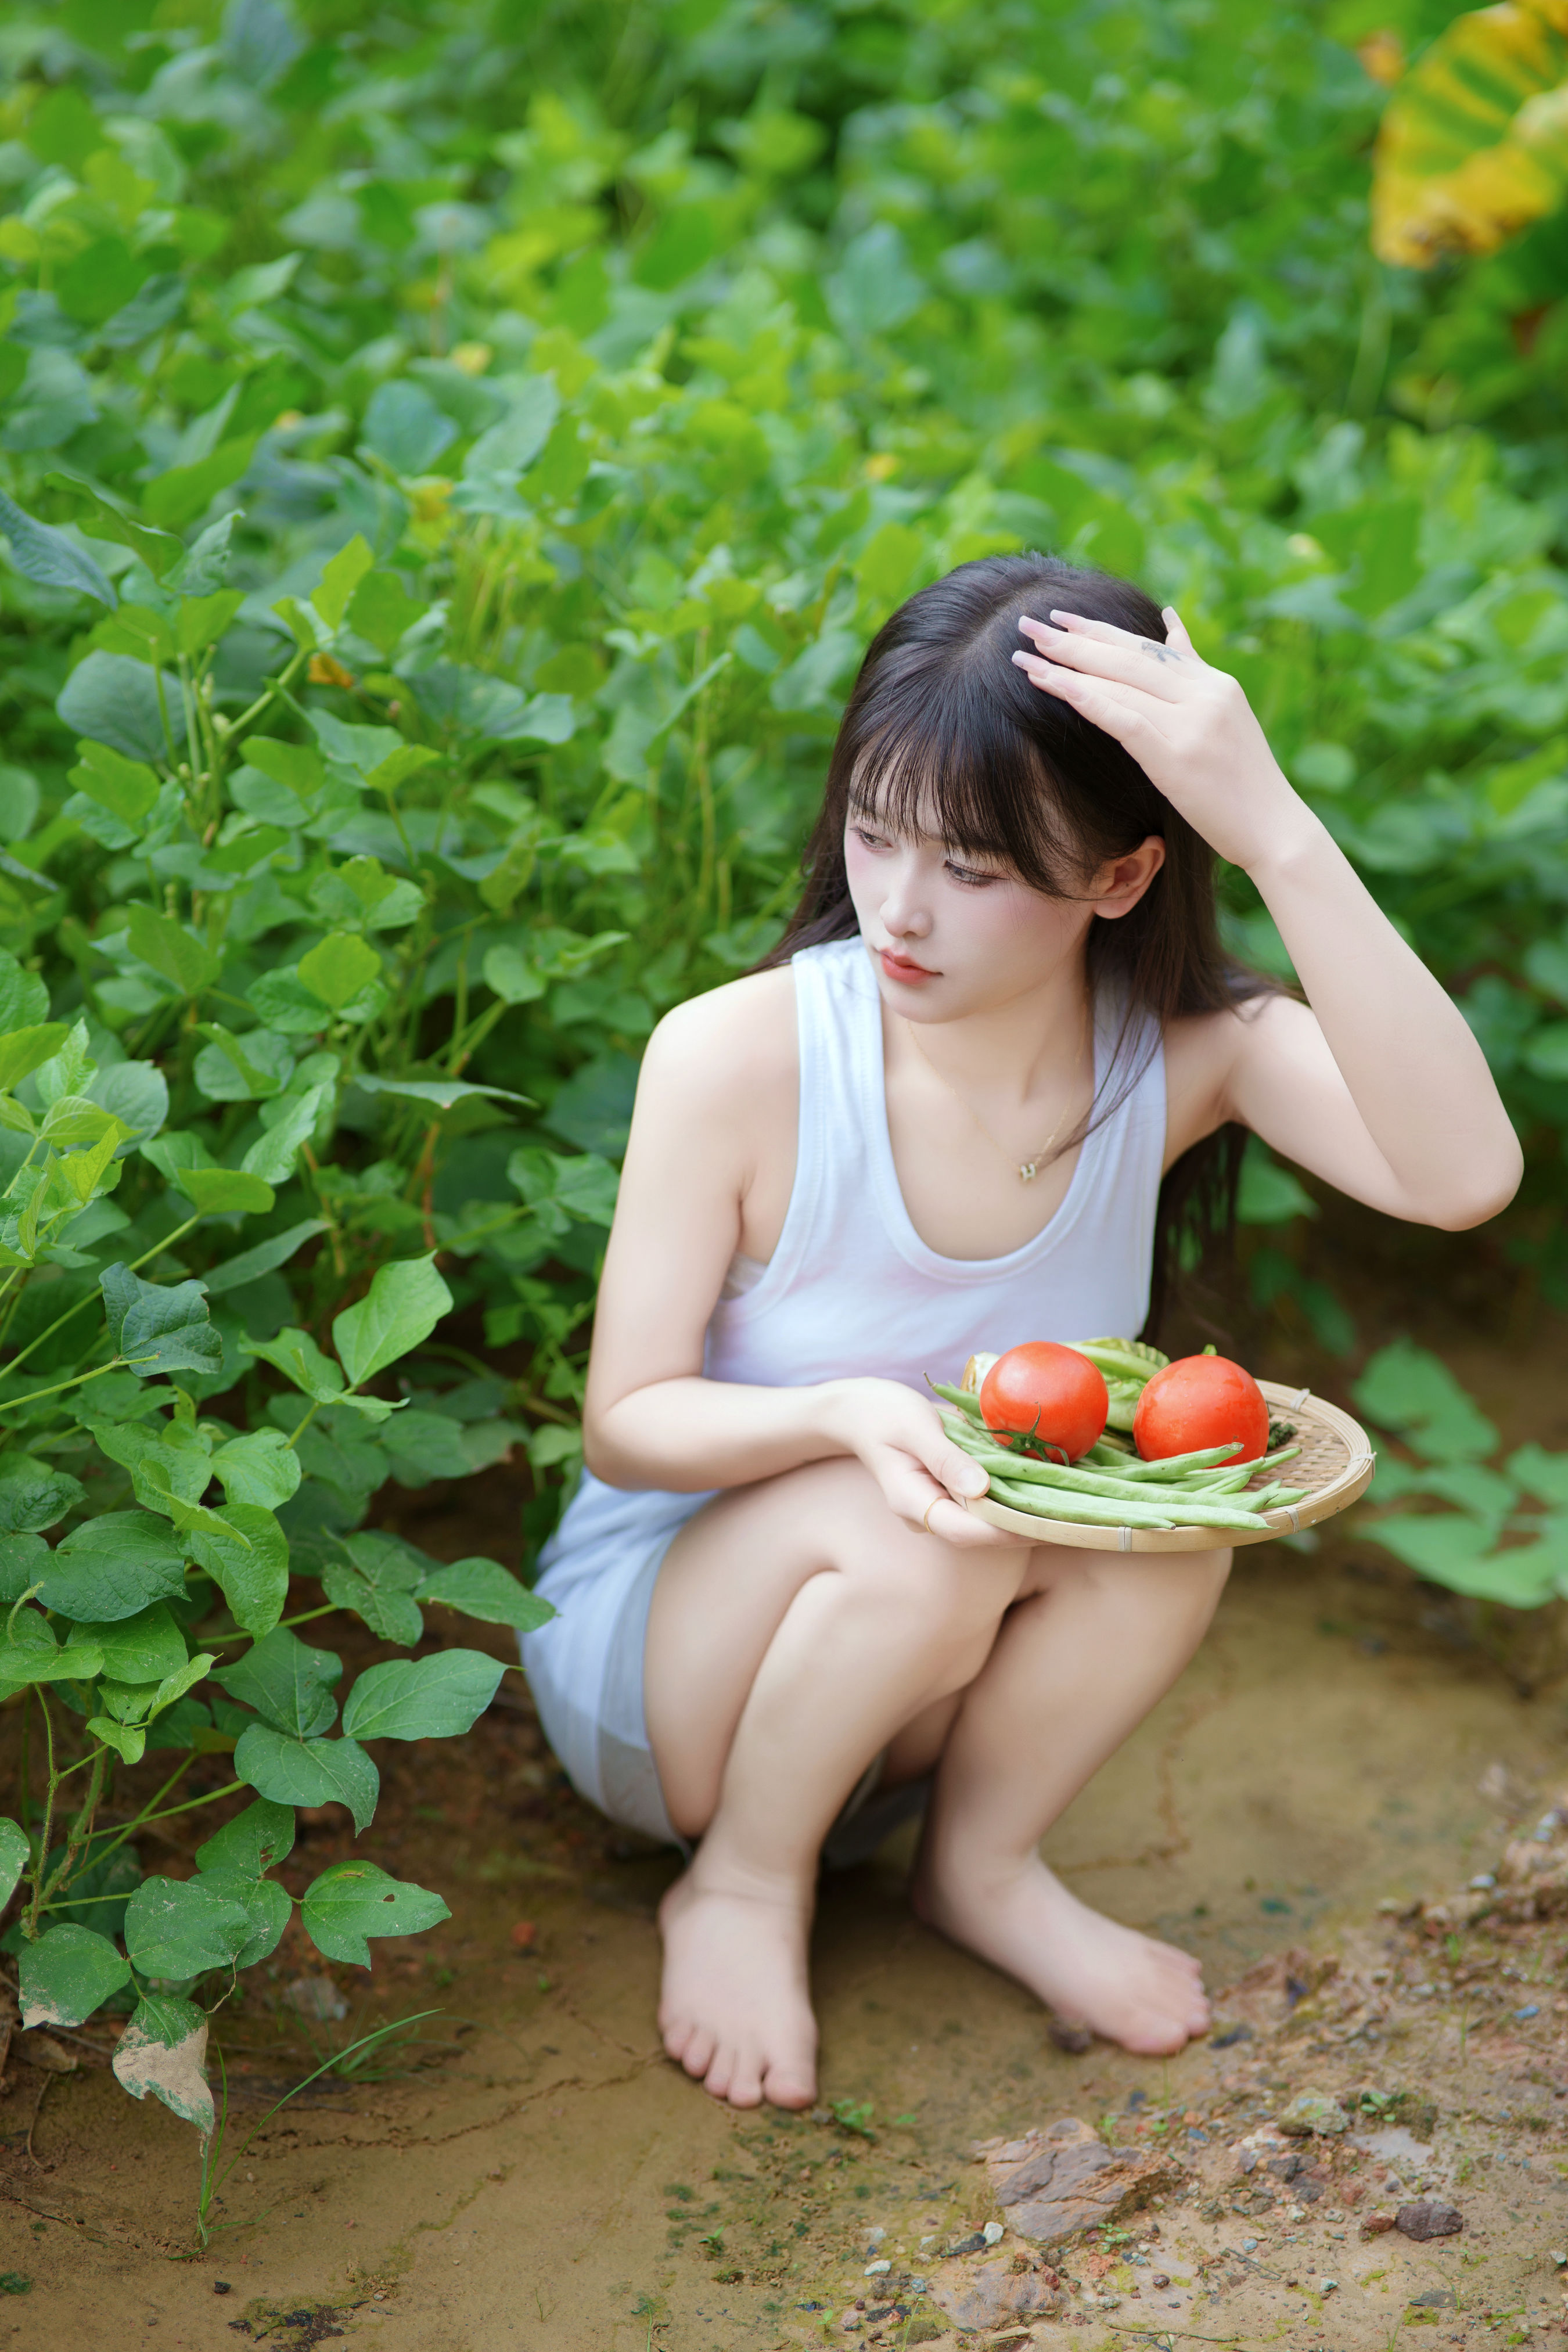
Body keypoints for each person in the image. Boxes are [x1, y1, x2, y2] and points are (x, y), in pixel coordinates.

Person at [519, 553, 1521, 2111]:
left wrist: (1271, 826)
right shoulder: (743, 1054)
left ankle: (978, 1868)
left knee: (1184, 1517)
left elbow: (1462, 1176)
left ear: (1119, 876)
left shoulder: (1183, 1058)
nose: (900, 908)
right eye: (872, 832)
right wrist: (846, 1414)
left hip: (912, 1686)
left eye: (974, 872)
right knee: (938, 1524)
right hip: (671, 1675)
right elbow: (627, 1419)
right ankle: (737, 1885)